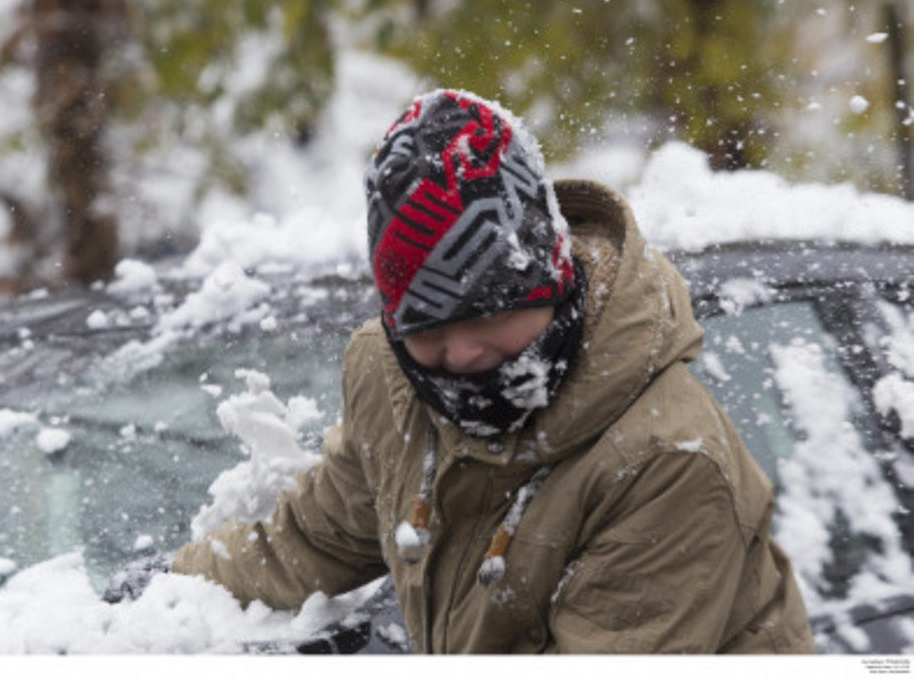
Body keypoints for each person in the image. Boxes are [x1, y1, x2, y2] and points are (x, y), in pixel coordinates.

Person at [167, 89, 815, 653]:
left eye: (489, 314)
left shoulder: (665, 457)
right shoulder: (389, 378)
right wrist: (161, 598)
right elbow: (312, 542)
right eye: (428, 330)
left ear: (550, 278)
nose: (463, 355)